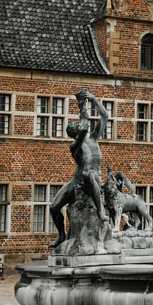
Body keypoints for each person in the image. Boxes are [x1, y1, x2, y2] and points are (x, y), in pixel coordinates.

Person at [48, 88, 110, 247]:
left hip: (93, 177)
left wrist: (93, 98)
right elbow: (84, 127)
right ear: (73, 133)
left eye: (75, 122)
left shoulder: (94, 139)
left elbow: (104, 115)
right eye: (74, 125)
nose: (77, 124)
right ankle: (62, 235)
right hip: (78, 179)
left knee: (89, 175)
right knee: (54, 207)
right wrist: (82, 105)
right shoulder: (75, 145)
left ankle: (100, 210)